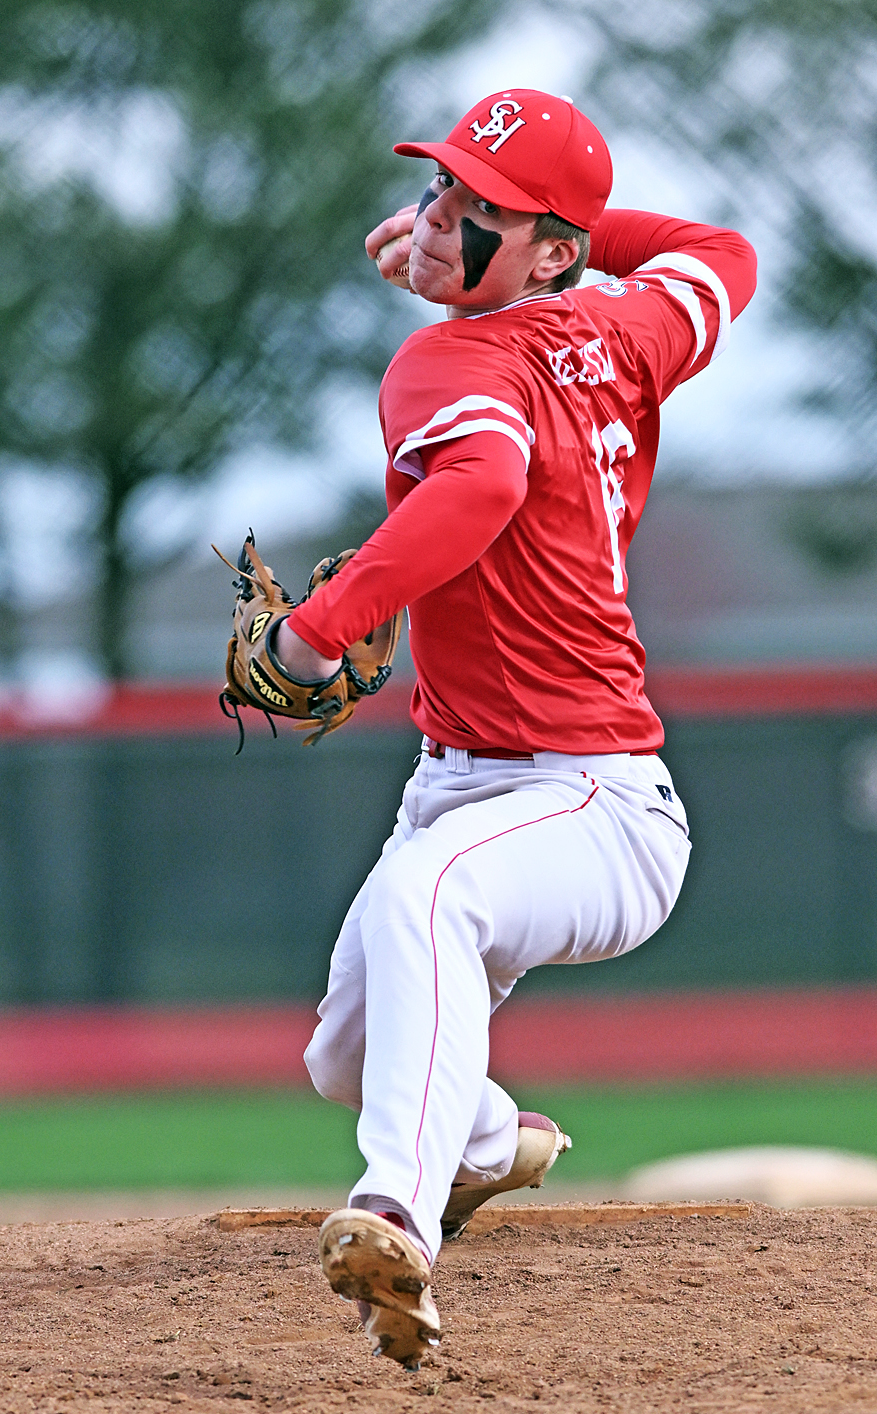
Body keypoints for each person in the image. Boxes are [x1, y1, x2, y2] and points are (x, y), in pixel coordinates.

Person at [275, 88, 757, 1370]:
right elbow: (721, 255)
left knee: (426, 896)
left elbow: (481, 481)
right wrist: (552, 239)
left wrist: (317, 628)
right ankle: (491, 1145)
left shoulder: (449, 361)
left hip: (593, 798)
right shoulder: (624, 328)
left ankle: (395, 1213)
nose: (437, 224)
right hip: (470, 781)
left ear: (550, 248)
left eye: (474, 215)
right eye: (438, 192)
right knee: (347, 1050)